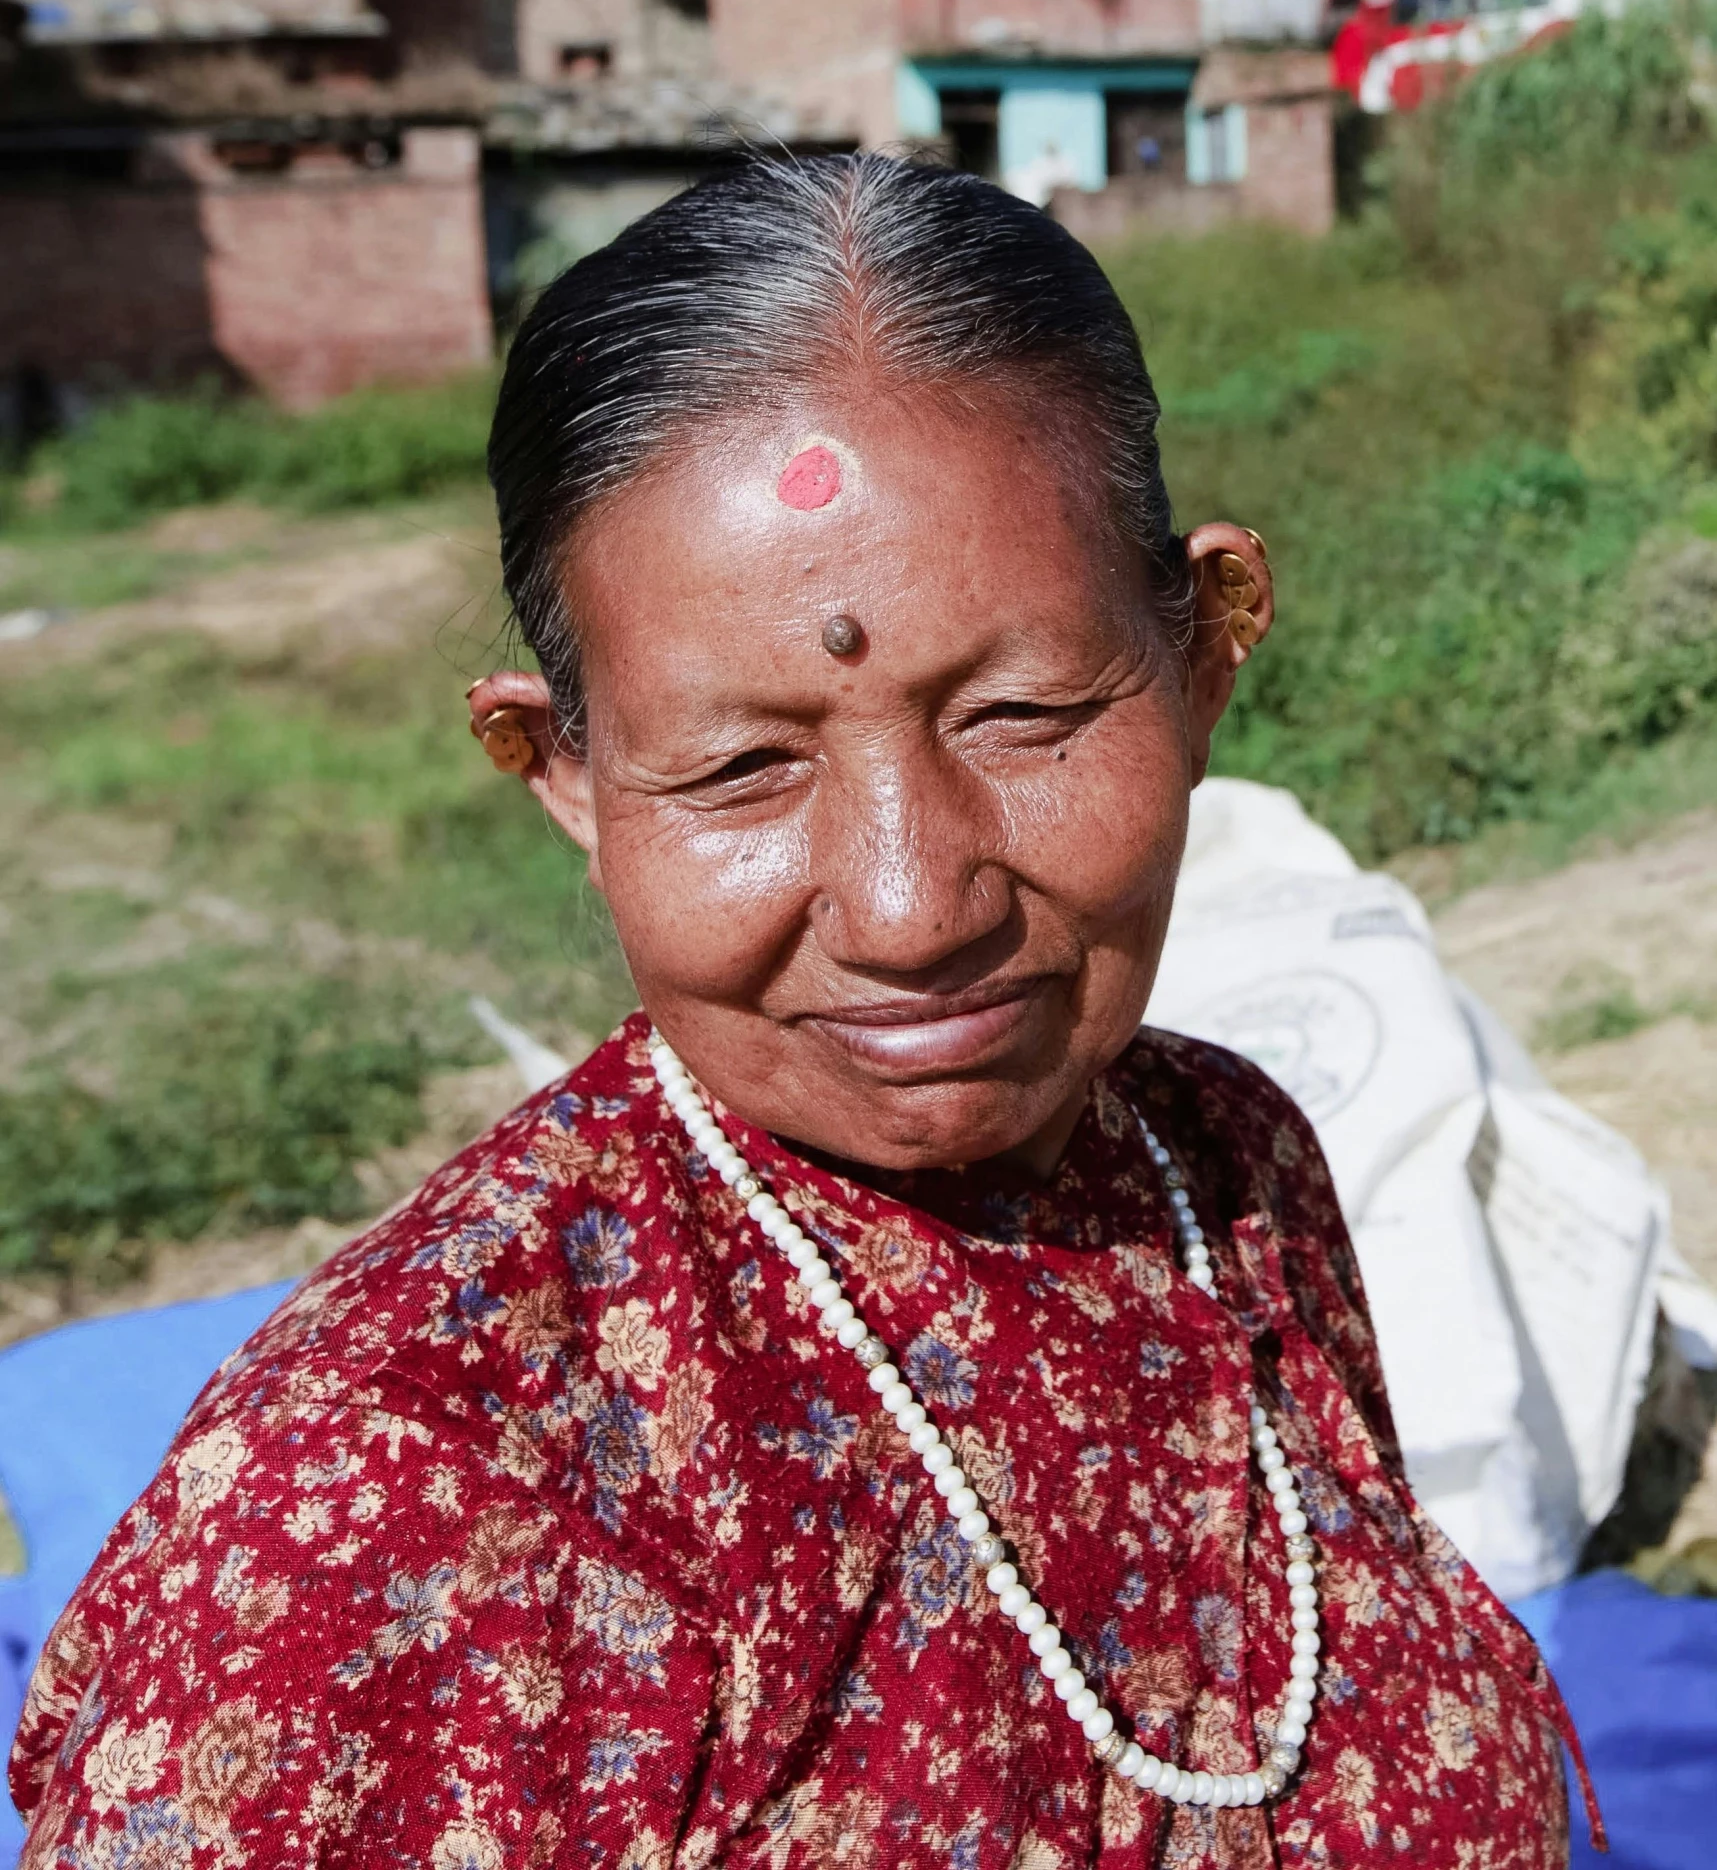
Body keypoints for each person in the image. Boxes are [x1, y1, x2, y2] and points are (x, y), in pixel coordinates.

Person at [10, 156, 1592, 1869]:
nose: (915, 909)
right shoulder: (393, 1500)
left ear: (1204, 655)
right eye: (744, 768)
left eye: (1028, 712)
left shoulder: (1222, 1160)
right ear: (568, 776)